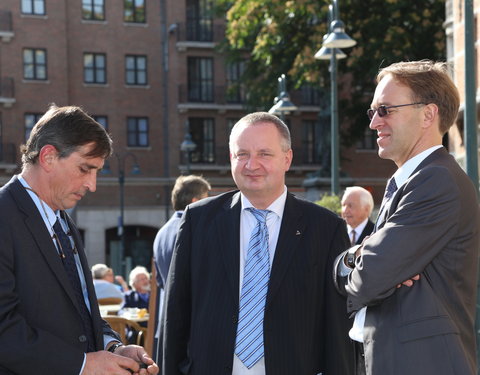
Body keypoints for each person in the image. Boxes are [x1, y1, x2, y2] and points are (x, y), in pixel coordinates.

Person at [162, 112, 354, 374]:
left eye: (264, 154)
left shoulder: (326, 228)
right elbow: (176, 315)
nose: (252, 165)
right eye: (242, 154)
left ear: (287, 159)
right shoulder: (198, 221)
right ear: (231, 159)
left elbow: (337, 325)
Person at [333, 60, 480, 375]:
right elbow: (363, 268)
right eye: (372, 111)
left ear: (428, 114)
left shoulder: (435, 181)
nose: (374, 122)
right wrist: (359, 253)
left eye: (385, 110)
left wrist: (367, 260)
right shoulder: (412, 181)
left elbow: (368, 278)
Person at [0, 104, 158, 374]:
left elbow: (80, 307)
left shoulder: (61, 220)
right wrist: (84, 365)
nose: (92, 184)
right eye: (85, 169)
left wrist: (112, 348)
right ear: (48, 157)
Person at [152, 175, 210, 363]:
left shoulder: (162, 231)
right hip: (191, 327)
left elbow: (159, 281)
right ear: (195, 201)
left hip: (167, 323)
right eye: (206, 198)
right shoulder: (194, 229)